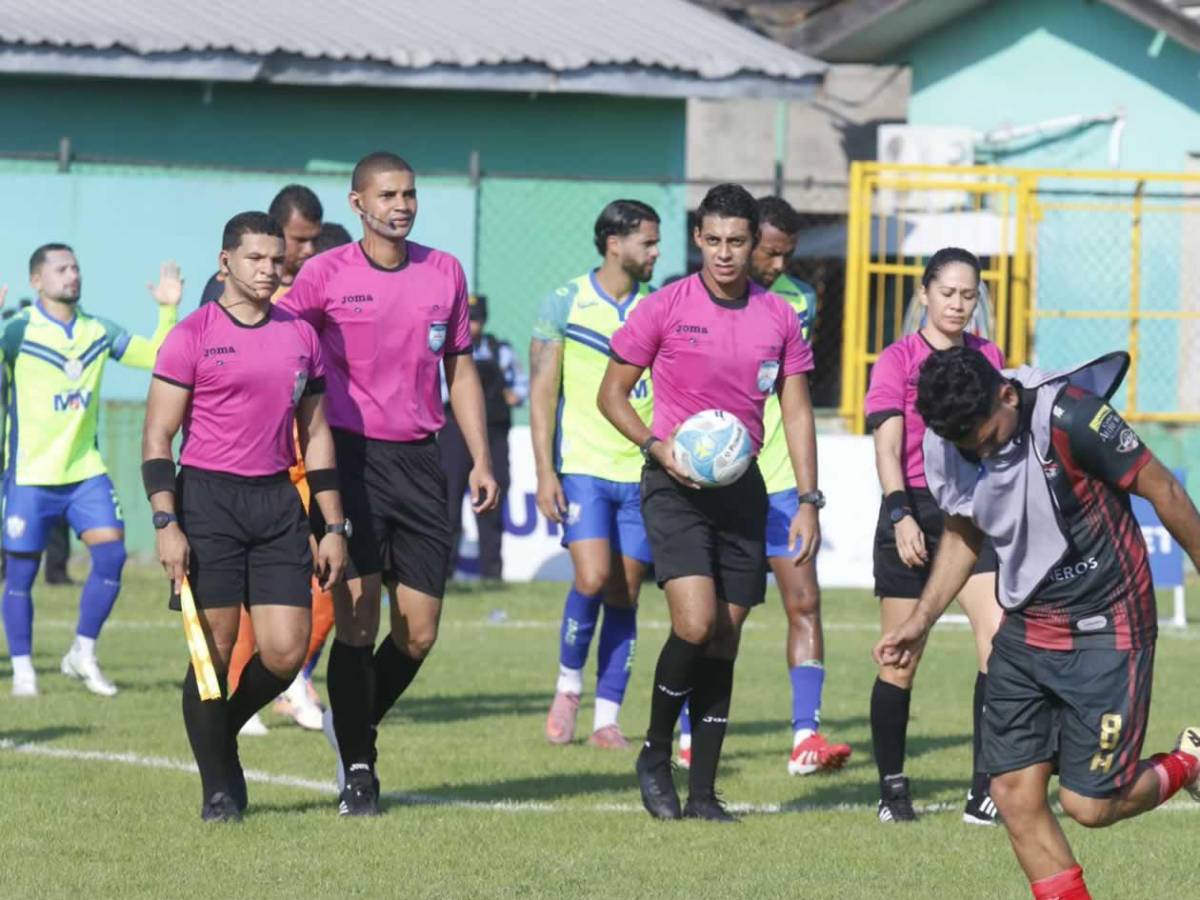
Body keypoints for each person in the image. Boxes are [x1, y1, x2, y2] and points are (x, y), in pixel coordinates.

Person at [876, 345, 1200, 899]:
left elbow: (1164, 490)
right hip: (1026, 627)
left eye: (987, 439)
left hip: (1108, 623)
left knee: (1089, 806)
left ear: (1007, 395)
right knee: (1012, 793)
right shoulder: (949, 441)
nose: (980, 454)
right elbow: (963, 530)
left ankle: (1190, 761)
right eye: (968, 447)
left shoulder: (1073, 417)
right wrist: (922, 619)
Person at [279, 151, 498, 816]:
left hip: (423, 462)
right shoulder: (323, 275)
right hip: (348, 462)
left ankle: (350, 725)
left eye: (409, 194)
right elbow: (281, 348)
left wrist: (481, 457)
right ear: (358, 204)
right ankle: (360, 770)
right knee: (356, 621)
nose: (401, 205)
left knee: (419, 632)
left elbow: (460, 369)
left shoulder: (445, 271)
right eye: (388, 195)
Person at [599, 183, 820, 822]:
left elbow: (796, 411)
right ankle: (654, 752)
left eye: (737, 242)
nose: (725, 253)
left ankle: (702, 794)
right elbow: (612, 394)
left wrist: (809, 499)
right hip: (673, 486)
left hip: (743, 492)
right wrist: (656, 445)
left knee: (724, 638)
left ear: (754, 244)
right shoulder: (665, 307)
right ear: (697, 238)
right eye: (714, 240)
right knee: (694, 624)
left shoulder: (779, 317)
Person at [143, 210, 347, 822]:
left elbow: (316, 435)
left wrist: (332, 526)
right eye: (255, 258)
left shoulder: (301, 336)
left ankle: (219, 733)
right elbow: (157, 438)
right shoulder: (192, 335)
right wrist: (166, 523)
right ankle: (219, 789)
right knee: (214, 651)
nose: (268, 269)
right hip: (207, 501)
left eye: (276, 259)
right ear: (225, 261)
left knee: (285, 653)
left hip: (278, 502)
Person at [676, 195, 849, 775]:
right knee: (717, 622)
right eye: (770, 253)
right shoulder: (691, 302)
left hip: (781, 480)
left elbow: (794, 399)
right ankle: (688, 732)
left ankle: (806, 737)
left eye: (785, 255)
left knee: (805, 601)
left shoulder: (796, 303)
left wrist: (808, 495)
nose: (778, 265)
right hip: (727, 479)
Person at [1, 244, 180, 697]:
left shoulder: (98, 330)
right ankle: (23, 671)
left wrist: (167, 309)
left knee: (111, 557)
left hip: (84, 472)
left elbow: (158, 355)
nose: (72, 275)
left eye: (76, 267)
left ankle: (82, 652)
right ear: (37, 281)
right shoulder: (17, 330)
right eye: (61, 269)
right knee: (20, 577)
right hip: (29, 476)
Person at [863, 247, 1003, 825]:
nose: (958, 304)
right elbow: (888, 448)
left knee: (999, 645)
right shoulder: (896, 359)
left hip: (972, 514)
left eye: (968, 295)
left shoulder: (989, 357)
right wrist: (899, 515)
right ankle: (892, 792)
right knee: (901, 657)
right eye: (947, 293)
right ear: (924, 293)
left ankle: (985, 792)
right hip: (914, 509)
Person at [532, 200, 661, 748]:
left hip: (641, 472)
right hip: (583, 466)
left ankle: (606, 718)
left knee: (625, 593)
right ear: (614, 243)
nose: (656, 253)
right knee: (590, 577)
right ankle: (568, 686)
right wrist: (545, 472)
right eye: (648, 242)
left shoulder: (659, 307)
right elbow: (543, 392)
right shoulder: (565, 301)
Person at [441, 293, 526, 583]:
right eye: (468, 320)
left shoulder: (500, 351)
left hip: (493, 434)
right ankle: (445, 573)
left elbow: (520, 387)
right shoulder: (446, 350)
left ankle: (492, 573)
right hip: (454, 432)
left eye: (476, 320)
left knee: (491, 503)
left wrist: (512, 395)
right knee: (449, 504)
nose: (472, 326)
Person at [199, 185, 323, 305]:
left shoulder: (321, 285)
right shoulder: (230, 285)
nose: (310, 249)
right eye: (300, 240)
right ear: (276, 231)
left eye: (315, 239)